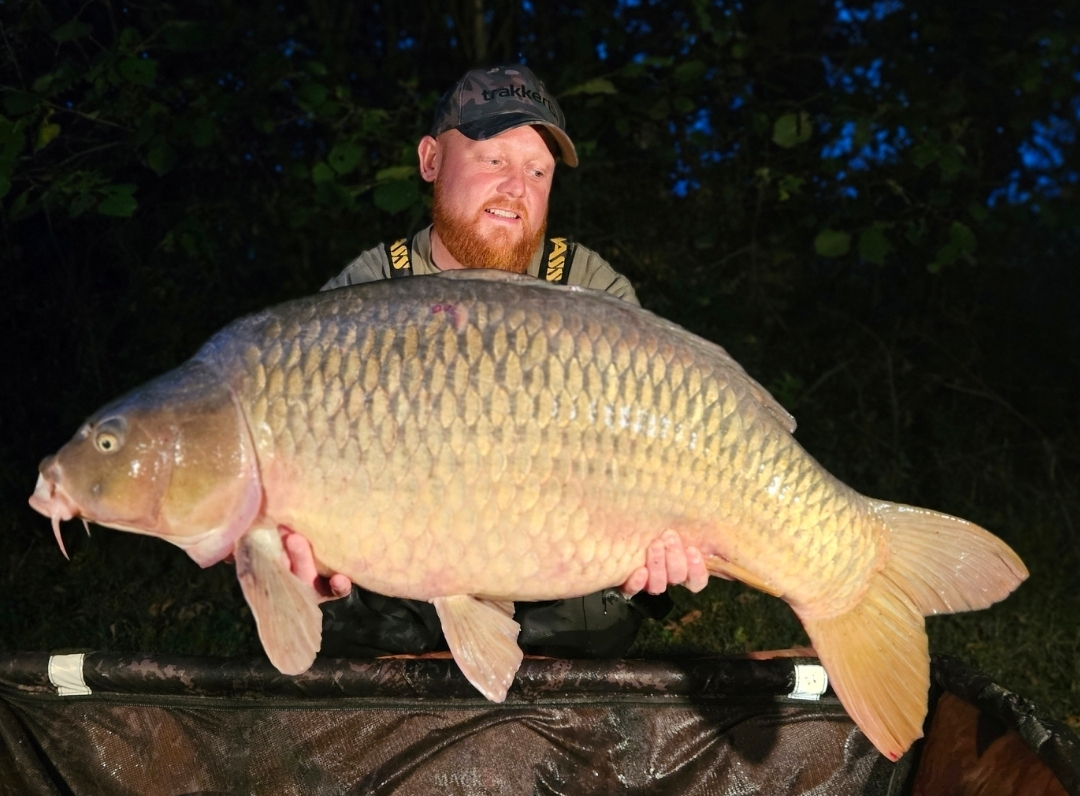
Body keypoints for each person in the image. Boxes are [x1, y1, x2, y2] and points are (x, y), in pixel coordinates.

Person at [286, 65, 708, 660]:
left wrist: (661, 536)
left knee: (597, 609)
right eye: (493, 160)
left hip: (548, 559)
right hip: (407, 560)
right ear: (431, 160)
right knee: (336, 592)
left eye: (538, 171)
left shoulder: (588, 289)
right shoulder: (367, 292)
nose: (516, 188)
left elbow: (652, 448)